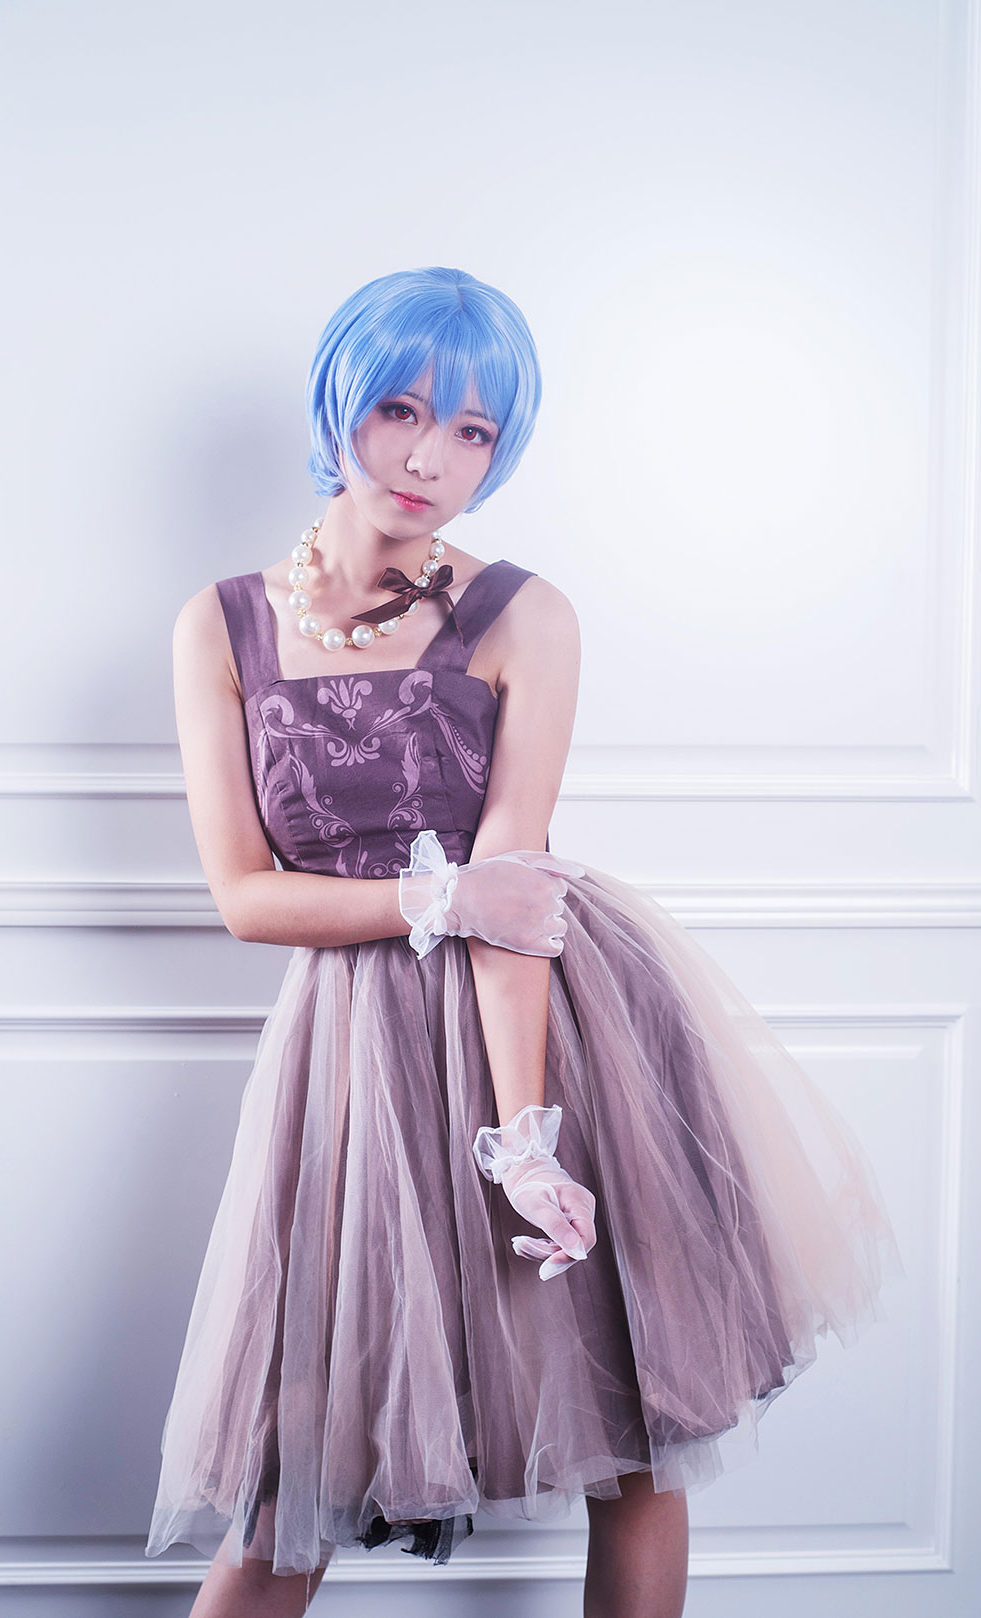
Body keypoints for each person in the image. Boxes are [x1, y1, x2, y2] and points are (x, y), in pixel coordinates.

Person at [144, 266, 902, 1618]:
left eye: (473, 431)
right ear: (337, 406)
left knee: (636, 1420)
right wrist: (438, 903)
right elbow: (247, 896)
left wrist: (527, 1139)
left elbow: (519, 895)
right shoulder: (223, 623)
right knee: (300, 1448)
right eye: (399, 410)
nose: (428, 458)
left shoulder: (525, 616)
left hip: (548, 1022)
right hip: (354, 1054)